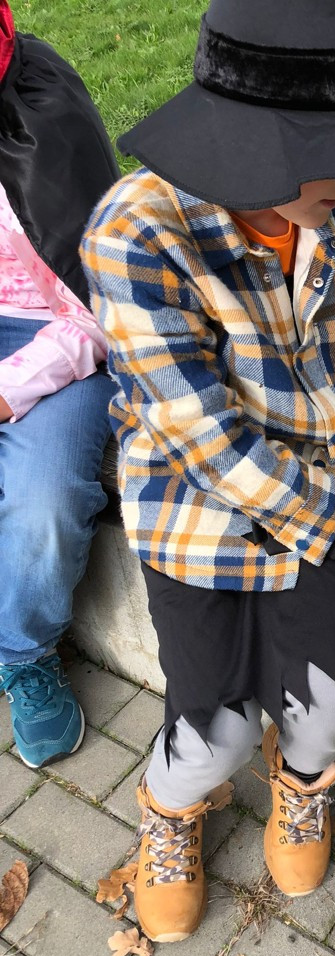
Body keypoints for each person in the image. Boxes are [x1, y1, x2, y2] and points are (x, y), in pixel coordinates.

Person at [81, 0, 335, 944]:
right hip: (198, 515)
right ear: (245, 142)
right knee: (214, 729)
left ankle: (301, 787)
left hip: (330, 497)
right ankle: (171, 807)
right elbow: (204, 437)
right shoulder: (137, 232)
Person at [0, 1, 119, 767]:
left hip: (59, 337)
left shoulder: (45, 125)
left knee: (44, 500)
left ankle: (24, 655)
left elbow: (103, 310)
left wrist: (10, 389)